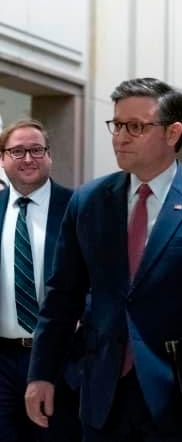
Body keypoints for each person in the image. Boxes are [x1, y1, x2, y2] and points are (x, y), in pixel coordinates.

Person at [24, 77, 182, 441]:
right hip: (102, 389)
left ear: (172, 132)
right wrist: (40, 373)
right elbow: (61, 298)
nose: (121, 137)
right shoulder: (89, 201)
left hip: (181, 393)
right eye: (117, 125)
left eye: (136, 127)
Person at [0, 120, 78, 442]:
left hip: (61, 360)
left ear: (49, 156)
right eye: (17, 151)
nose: (28, 158)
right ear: (2, 159)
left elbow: (101, 277)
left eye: (36, 150)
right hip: (2, 360)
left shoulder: (77, 207)